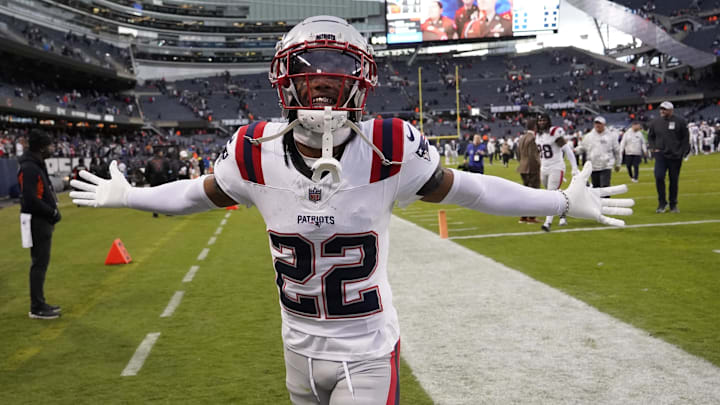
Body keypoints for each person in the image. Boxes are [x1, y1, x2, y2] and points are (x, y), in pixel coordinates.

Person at [70, 16, 633, 405]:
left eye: (334, 83)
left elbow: (474, 191)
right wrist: (132, 196)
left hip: (365, 354)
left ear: (360, 86)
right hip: (295, 348)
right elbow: (191, 196)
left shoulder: (388, 146)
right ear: (284, 84)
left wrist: (558, 199)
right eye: (311, 81)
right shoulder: (253, 152)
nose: (322, 94)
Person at [18, 129, 62, 319]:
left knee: (41, 263)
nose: (52, 148)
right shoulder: (30, 168)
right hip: (37, 221)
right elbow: (30, 199)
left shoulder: (35, 165)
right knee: (39, 263)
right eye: (50, 145)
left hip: (41, 220)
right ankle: (37, 306)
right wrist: (51, 212)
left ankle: (39, 303)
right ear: (42, 147)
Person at [535, 113, 579, 232]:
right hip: (544, 168)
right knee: (554, 194)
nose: (541, 122)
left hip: (556, 167)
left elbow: (567, 150)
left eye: (544, 120)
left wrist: (574, 168)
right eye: (539, 121)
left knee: (551, 194)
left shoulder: (554, 132)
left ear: (548, 121)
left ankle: (547, 223)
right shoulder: (537, 135)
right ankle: (563, 214)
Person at [647, 101, 690, 213]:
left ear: (671, 110)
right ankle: (662, 203)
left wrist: (682, 152)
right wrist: (653, 147)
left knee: (674, 180)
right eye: (661, 109)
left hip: (675, 155)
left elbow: (685, 137)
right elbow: (650, 136)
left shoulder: (680, 121)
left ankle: (673, 204)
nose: (662, 111)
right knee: (659, 176)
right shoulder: (655, 122)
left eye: (664, 109)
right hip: (660, 154)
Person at [576, 116, 621, 189]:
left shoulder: (611, 136)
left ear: (604, 124)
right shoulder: (589, 136)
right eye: (596, 123)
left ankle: (606, 200)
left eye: (599, 123)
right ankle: (598, 200)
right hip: (593, 166)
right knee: (596, 188)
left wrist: (618, 163)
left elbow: (617, 150)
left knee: (605, 187)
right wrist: (575, 151)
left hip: (606, 165)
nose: (597, 125)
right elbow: (582, 147)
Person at [516, 118, 541, 224]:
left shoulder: (522, 138)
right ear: (535, 127)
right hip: (531, 168)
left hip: (522, 167)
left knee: (524, 193)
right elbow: (532, 155)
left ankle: (523, 216)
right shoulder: (532, 138)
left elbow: (517, 153)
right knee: (533, 193)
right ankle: (531, 217)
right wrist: (539, 165)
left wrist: (522, 163)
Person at [144, 148, 171, 218]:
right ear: (159, 152)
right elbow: (168, 170)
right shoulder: (165, 160)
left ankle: (155, 213)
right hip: (163, 180)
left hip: (154, 181)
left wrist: (149, 180)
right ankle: (167, 212)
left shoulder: (150, 161)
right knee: (165, 196)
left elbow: (146, 173)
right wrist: (168, 179)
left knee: (154, 197)